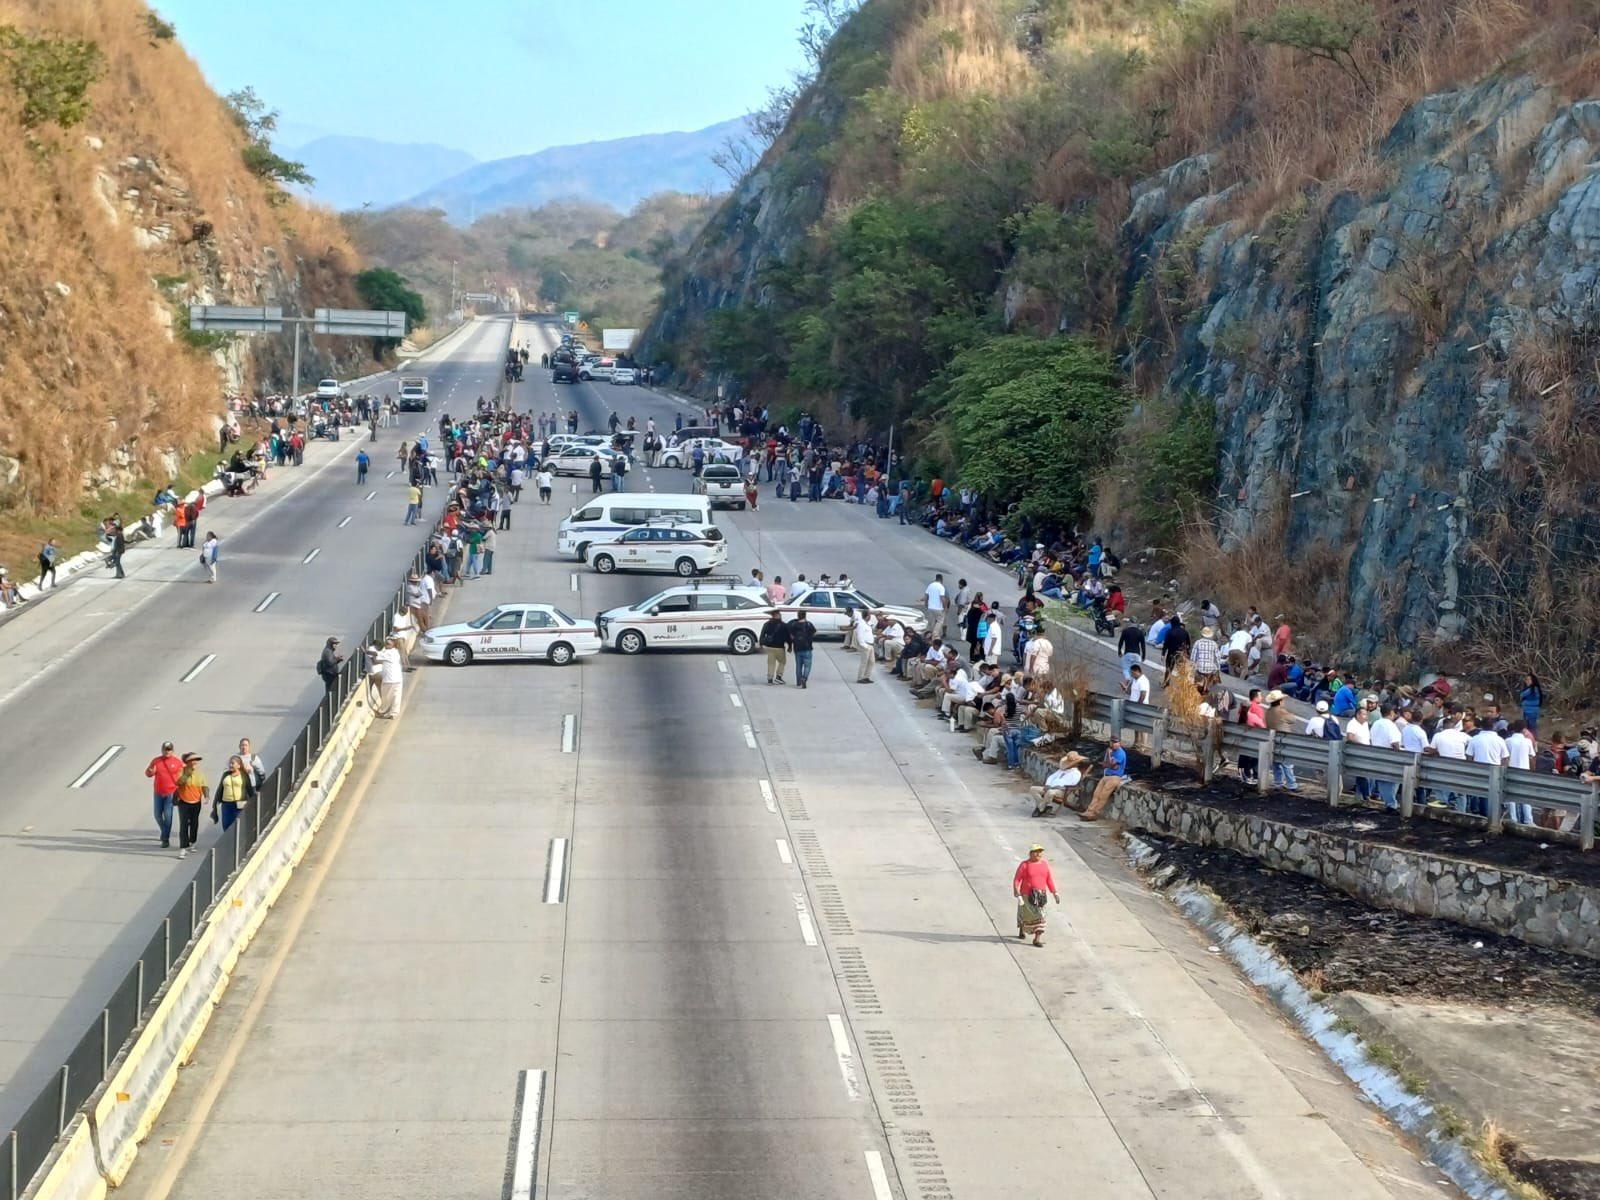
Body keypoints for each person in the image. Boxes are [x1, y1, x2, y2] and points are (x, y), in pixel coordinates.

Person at [1012, 844, 1059, 946]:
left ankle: (1036, 939)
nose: (1038, 854)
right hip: (1027, 895)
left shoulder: (1045, 864)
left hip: (1040, 896)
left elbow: (1049, 879)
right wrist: (1018, 894)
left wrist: (1055, 892)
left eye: (1040, 852)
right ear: (1030, 853)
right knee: (1025, 915)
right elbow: (1017, 879)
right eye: (1036, 851)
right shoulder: (1024, 865)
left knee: (1041, 917)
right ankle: (1022, 930)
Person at [144, 740, 183, 849]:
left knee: (168, 816)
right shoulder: (156, 761)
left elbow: (182, 777)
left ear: (173, 750)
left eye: (169, 750)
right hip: (158, 792)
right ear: (162, 750)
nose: (167, 752)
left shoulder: (177, 762)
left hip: (171, 793)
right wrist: (151, 771)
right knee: (157, 815)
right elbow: (148, 773)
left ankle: (165, 839)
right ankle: (164, 831)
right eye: (165, 749)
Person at [1081, 735, 1128, 821]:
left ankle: (1094, 813)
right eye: (1113, 742)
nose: (1114, 744)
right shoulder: (1108, 751)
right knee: (1096, 794)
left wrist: (1109, 755)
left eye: (1116, 742)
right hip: (1106, 775)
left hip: (1115, 777)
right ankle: (1089, 810)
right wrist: (1108, 758)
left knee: (1103, 795)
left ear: (1119, 743)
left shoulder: (1120, 753)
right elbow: (1105, 764)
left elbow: (1113, 764)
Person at [1031, 752, 1088, 816]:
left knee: (1050, 792)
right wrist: (1047, 784)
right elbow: (1051, 777)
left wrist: (1057, 787)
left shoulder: (1076, 773)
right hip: (1049, 787)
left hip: (1061, 791)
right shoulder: (1061, 770)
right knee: (1033, 789)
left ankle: (1040, 808)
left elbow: (1073, 783)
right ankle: (1042, 807)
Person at [174, 752, 207, 858]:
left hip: (196, 801)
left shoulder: (200, 773)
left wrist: (206, 796)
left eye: (196, 760)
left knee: (194, 822)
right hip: (183, 801)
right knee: (183, 824)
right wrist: (187, 774)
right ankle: (183, 848)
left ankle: (193, 842)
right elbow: (178, 783)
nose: (195, 762)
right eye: (192, 760)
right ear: (187, 762)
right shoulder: (181, 771)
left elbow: (203, 785)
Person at [211, 754, 255, 832]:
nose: (230, 765)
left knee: (237, 826)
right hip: (226, 805)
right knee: (226, 826)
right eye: (230, 763)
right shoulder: (226, 775)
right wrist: (214, 805)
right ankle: (229, 843)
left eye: (233, 763)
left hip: (239, 805)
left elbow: (250, 790)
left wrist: (253, 802)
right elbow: (219, 790)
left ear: (238, 765)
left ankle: (237, 843)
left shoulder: (244, 775)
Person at [367, 635, 404, 717]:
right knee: (396, 697)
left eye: (388, 643)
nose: (386, 645)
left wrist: (366, 651)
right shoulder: (395, 652)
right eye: (386, 643)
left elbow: (375, 655)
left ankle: (382, 711)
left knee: (386, 697)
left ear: (393, 644)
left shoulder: (388, 653)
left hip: (389, 680)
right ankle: (393, 713)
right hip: (398, 679)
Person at [787, 609, 818, 689]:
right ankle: (804, 678)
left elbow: (791, 635)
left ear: (798, 615)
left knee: (798, 666)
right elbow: (814, 632)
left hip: (797, 648)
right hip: (807, 648)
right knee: (807, 666)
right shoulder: (808, 624)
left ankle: (798, 681)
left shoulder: (794, 625)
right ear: (805, 615)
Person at [760, 610, 790, 684]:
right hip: (779, 647)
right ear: (778, 615)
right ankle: (779, 677)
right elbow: (787, 637)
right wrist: (790, 645)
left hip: (769, 647)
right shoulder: (784, 625)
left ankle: (770, 679)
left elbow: (762, 634)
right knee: (782, 662)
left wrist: (761, 644)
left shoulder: (767, 624)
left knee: (771, 663)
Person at [854, 609, 876, 684]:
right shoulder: (861, 624)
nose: (870, 617)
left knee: (872, 662)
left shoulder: (868, 624)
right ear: (867, 616)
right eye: (869, 615)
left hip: (871, 645)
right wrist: (864, 645)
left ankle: (866, 677)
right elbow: (859, 636)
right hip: (866, 645)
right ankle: (860, 678)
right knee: (864, 662)